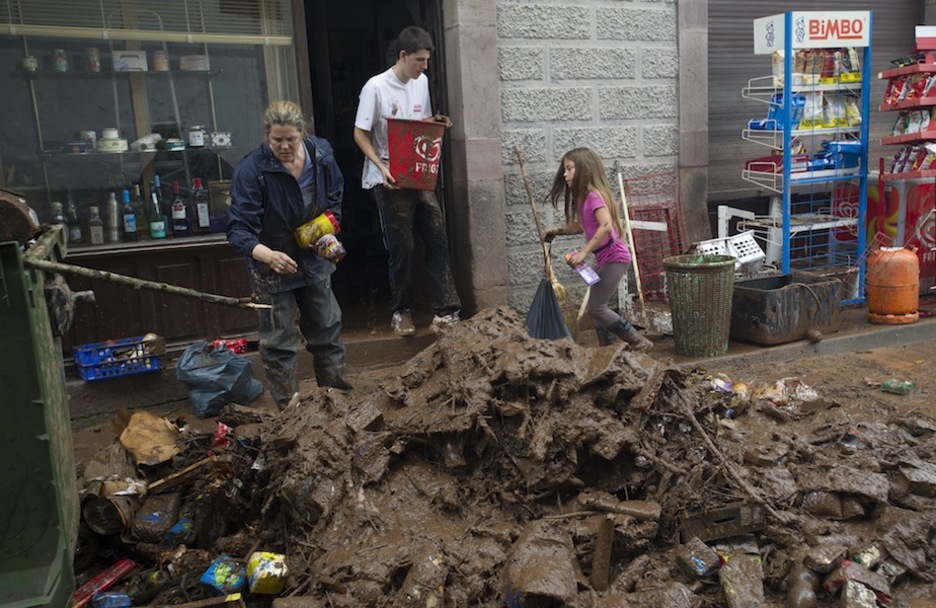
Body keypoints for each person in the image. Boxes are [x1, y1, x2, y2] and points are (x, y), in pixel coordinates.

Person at [227, 100, 352, 410]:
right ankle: (291, 412)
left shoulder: (321, 156)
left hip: (313, 257)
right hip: (271, 263)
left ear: (302, 133)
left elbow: (335, 197)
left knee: (327, 329)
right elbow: (238, 229)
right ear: (266, 136)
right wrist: (267, 255)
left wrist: (325, 230)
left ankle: (337, 403)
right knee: (279, 343)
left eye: (290, 139)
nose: (284, 146)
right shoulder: (251, 171)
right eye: (276, 140)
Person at [353, 25, 461, 338]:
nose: (424, 66)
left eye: (426, 60)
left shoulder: (421, 82)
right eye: (419, 60)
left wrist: (435, 123)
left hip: (416, 171)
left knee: (437, 237)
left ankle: (446, 311)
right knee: (402, 246)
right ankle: (401, 310)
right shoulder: (375, 87)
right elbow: (359, 133)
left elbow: (417, 125)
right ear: (403, 55)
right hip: (387, 173)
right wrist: (381, 167)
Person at [543, 148, 653, 351]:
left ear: (585, 170)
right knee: (595, 310)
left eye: (569, 168)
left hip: (615, 256)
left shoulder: (594, 196)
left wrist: (584, 252)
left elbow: (606, 225)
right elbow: (582, 225)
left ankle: (638, 341)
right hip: (603, 258)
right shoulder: (583, 199)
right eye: (564, 170)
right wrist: (558, 231)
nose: (565, 174)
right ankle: (608, 350)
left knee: (596, 308)